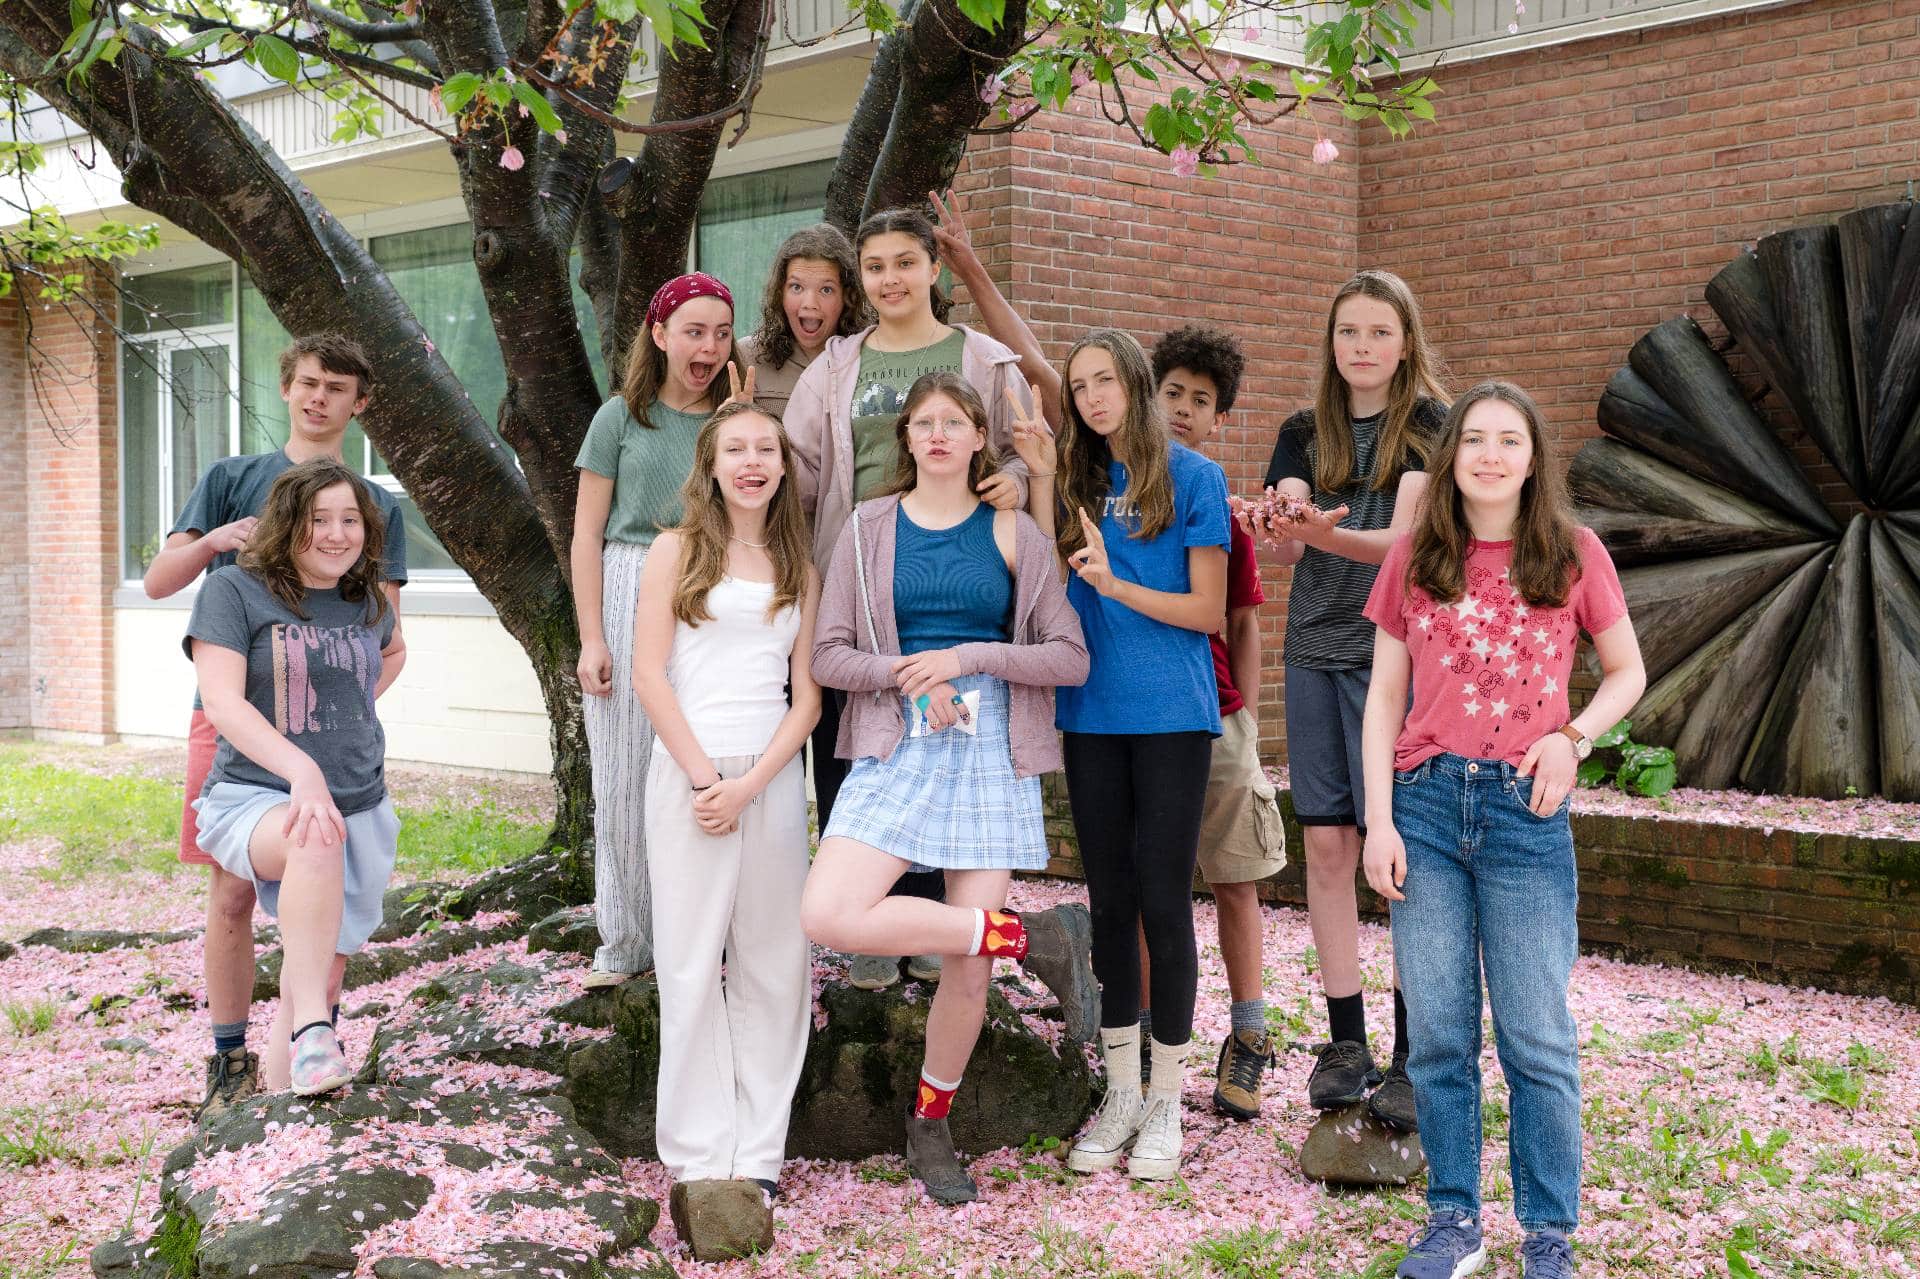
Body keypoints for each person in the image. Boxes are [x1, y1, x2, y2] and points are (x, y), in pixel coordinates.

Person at [1360, 382, 1644, 1279]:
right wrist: (1378, 822)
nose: (1489, 453)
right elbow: (1380, 702)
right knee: (1440, 1032)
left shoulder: (1571, 551)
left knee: (1536, 1036)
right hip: (1426, 808)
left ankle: (1547, 1233)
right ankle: (1454, 1221)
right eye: (1473, 438)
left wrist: (1574, 737)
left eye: (1508, 439)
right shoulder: (1414, 555)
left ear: (1533, 458)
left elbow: (1628, 672)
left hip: (1527, 812)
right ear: (1453, 457)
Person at [799, 371, 1097, 1207]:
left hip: (987, 744)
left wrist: (967, 657)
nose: (936, 434)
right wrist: (904, 672)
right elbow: (828, 655)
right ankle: (1037, 940)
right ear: (907, 441)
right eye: (922, 423)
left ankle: (931, 1122)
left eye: (953, 422)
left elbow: (1068, 655)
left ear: (977, 439)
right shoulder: (866, 528)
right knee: (828, 911)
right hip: (898, 740)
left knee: (967, 972)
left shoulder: (1011, 532)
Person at [144, 333, 407, 1122]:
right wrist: (219, 543)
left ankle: (296, 1058)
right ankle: (230, 1058)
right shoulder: (232, 479)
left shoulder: (373, 506)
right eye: (309, 382)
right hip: (230, 719)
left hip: (323, 739)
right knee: (232, 892)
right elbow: (161, 581)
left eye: (338, 387)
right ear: (288, 387)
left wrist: (330, 718)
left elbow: (383, 643)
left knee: (321, 897)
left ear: (359, 403)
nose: (320, 397)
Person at [785, 206, 1032, 991]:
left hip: (956, 573)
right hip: (855, 573)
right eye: (875, 266)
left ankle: (930, 923)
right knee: (856, 737)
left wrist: (1018, 482)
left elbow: (1032, 448)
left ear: (934, 268)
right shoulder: (835, 366)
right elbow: (802, 471)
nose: (889, 278)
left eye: (904, 262)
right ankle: (871, 920)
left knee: (948, 747)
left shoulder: (984, 359)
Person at [1017, 328, 1230, 1183]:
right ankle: (1121, 1090)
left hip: (1172, 713)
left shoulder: (1194, 476)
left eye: (1105, 380)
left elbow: (1208, 610)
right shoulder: (1075, 477)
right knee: (1108, 902)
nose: (1092, 397)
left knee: (1163, 897)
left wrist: (1117, 585)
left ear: (1136, 384)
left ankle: (1169, 1096)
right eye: (1079, 387)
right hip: (1090, 710)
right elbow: (1048, 577)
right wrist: (1038, 477)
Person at [1241, 268, 1449, 1131]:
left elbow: (1400, 547)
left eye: (1377, 332)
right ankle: (1345, 1040)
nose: (1360, 348)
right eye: (1347, 333)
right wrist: (1280, 521)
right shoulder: (1301, 430)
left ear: (1406, 342)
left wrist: (1326, 530)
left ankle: (1412, 1057)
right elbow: (1293, 535)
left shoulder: (1431, 427)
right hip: (1314, 652)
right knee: (1326, 845)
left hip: (1394, 658)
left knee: (1395, 855)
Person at [631, 400, 821, 1217]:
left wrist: (750, 786)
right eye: (736, 447)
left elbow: (807, 698)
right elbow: (648, 674)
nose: (752, 461)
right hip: (689, 772)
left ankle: (760, 1147)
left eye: (766, 449)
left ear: (783, 466)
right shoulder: (674, 550)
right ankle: (701, 1151)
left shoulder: (799, 564)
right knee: (688, 959)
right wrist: (709, 780)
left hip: (772, 777)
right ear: (711, 462)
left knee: (775, 962)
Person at [186, 458, 407, 1097]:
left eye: (350, 520)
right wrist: (302, 767)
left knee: (326, 975)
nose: (338, 534)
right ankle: (316, 1028)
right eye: (319, 520)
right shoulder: (234, 591)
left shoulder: (363, 598)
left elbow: (390, 650)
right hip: (254, 794)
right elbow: (223, 702)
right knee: (312, 833)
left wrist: (351, 705)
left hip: (359, 797)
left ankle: (284, 1113)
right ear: (287, 524)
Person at [572, 271, 746, 991]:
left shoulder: (732, 424)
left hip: (708, 588)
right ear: (661, 334)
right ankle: (626, 937)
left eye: (722, 332)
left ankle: (707, 932)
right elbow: (584, 535)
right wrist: (591, 636)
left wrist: (736, 422)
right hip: (626, 580)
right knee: (621, 770)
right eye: (694, 330)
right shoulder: (620, 418)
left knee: (704, 760)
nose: (707, 346)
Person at [1141, 327, 1287, 1120]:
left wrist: (1251, 719)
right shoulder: (1119, 494)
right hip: (1137, 717)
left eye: (1203, 401)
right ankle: (1137, 1043)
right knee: (1142, 890)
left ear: (1220, 418)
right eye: (1174, 394)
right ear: (1150, 396)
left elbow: (1244, 620)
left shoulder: (1221, 510)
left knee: (1235, 882)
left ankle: (1250, 1035)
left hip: (1219, 716)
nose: (1186, 411)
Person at [739, 223, 867, 420]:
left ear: (847, 297)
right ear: (780, 292)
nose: (810, 304)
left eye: (826, 289)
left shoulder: (870, 357)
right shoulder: (747, 358)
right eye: (796, 287)